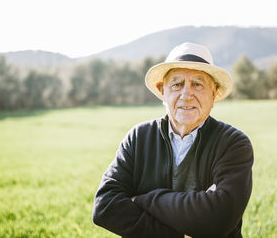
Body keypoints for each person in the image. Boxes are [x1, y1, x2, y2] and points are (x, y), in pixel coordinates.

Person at [92, 42, 254, 238]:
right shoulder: (138, 138)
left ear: (213, 93)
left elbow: (219, 218)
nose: (186, 95)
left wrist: (142, 200)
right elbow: (105, 206)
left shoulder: (233, 144)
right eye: (177, 84)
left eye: (198, 84)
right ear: (163, 91)